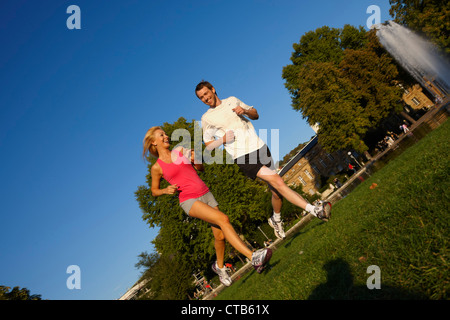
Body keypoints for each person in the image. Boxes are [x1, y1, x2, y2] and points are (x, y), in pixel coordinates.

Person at [195, 81, 332, 240]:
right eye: (201, 97)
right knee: (278, 181)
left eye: (206, 94)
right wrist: (223, 139)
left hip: (260, 147)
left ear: (213, 89)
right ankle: (315, 210)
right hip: (242, 156)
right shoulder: (207, 118)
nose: (205, 98)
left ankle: (276, 219)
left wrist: (244, 111)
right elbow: (208, 145)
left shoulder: (232, 100)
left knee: (276, 191)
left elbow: (256, 114)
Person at [142, 126, 272, 286]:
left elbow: (200, 168)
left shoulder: (181, 150)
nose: (166, 136)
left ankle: (219, 266)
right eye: (161, 135)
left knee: (220, 236)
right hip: (188, 200)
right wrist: (165, 190)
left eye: (166, 133)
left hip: (206, 193)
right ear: (153, 142)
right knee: (223, 219)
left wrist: (195, 159)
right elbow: (154, 191)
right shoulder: (157, 167)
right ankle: (253, 257)